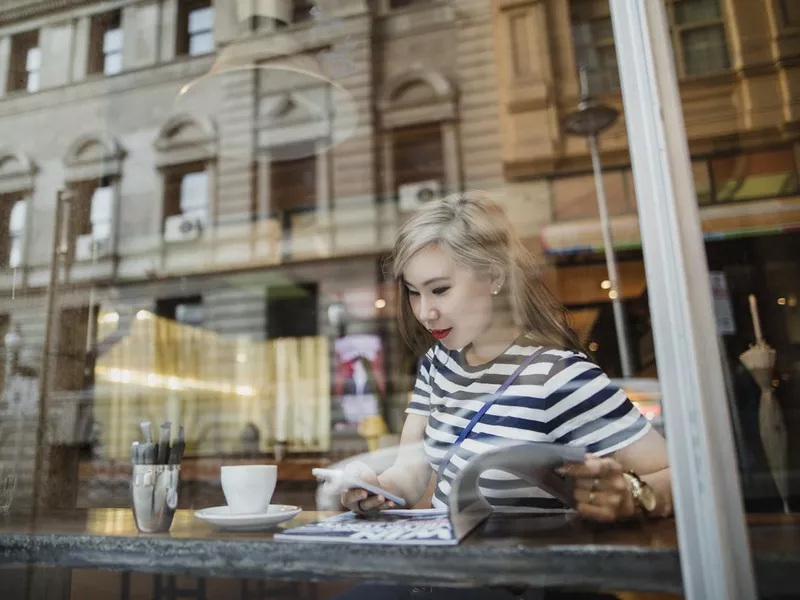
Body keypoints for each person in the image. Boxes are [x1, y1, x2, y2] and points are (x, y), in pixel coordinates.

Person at [341, 191, 672, 524]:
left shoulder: (559, 377)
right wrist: (375, 488)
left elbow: (678, 474)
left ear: (495, 277)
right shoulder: (437, 365)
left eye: (440, 289)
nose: (425, 312)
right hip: (447, 569)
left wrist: (633, 495)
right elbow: (410, 470)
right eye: (414, 293)